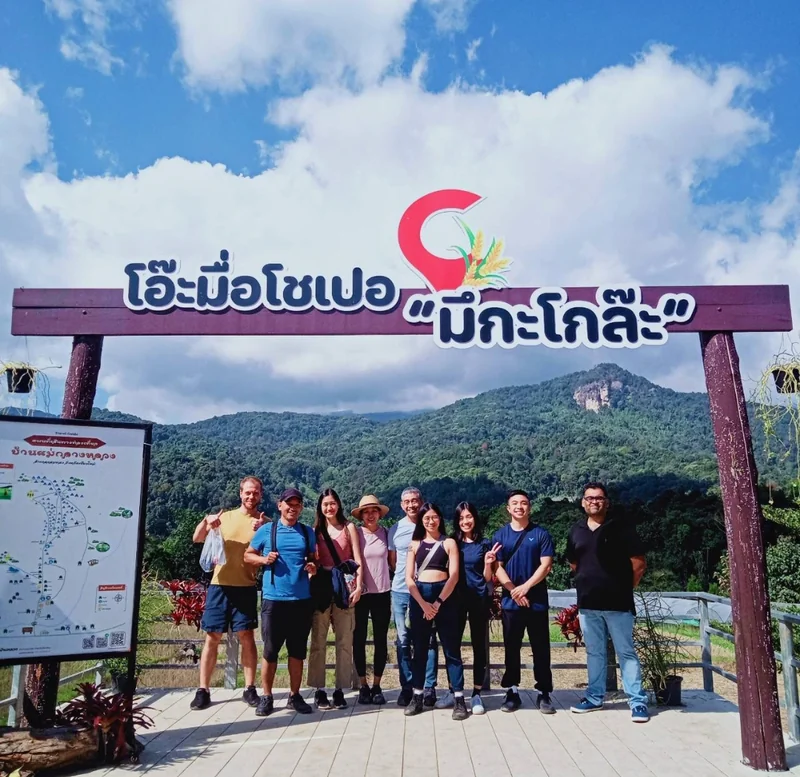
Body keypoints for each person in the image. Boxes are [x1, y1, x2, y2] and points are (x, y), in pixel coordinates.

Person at [566, 482, 649, 722]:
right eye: (589, 498)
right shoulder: (576, 530)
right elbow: (574, 563)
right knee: (594, 653)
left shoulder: (622, 528)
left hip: (618, 604)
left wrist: (622, 588)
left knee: (626, 652)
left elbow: (639, 563)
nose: (594, 501)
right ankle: (594, 698)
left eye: (599, 498)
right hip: (588, 603)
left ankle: (637, 702)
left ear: (607, 502)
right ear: (582, 502)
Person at [190, 476, 267, 711]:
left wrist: (263, 531)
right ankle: (203, 690)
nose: (251, 496)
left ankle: (250, 688)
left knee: (247, 637)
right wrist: (206, 522)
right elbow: (197, 538)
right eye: (247, 492)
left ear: (260, 495)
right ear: (240, 493)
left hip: (246, 586)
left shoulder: (266, 523)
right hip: (219, 585)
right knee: (212, 637)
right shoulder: (225, 517)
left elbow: (274, 552)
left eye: (255, 493)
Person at [244, 487, 317, 716]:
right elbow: (248, 555)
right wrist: (265, 560)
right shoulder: (267, 530)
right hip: (273, 600)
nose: (292, 508)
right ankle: (267, 696)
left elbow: (313, 560)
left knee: (297, 652)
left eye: (297, 505)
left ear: (301, 507)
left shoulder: (307, 532)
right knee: (271, 651)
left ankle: (294, 696)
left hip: (301, 600)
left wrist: (312, 567)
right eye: (289, 504)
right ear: (280, 505)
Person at [491, 489, 556, 714]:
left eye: (524, 503)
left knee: (541, 648)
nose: (519, 506)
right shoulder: (500, 536)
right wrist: (513, 590)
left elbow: (545, 565)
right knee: (511, 647)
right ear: (508, 508)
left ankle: (544, 692)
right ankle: (512, 691)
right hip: (511, 603)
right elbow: (496, 567)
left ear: (530, 507)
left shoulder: (541, 534)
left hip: (536, 601)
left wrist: (525, 588)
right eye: (515, 503)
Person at [404, 503, 468, 720]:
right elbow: (408, 579)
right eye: (426, 518)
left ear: (440, 518)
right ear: (421, 520)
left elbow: (455, 575)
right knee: (419, 650)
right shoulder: (414, 544)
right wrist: (423, 604)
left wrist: (438, 602)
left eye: (434, 517)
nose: (430, 521)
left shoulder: (449, 542)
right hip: (419, 596)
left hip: (445, 596)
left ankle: (459, 698)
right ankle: (418, 696)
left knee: (452, 649)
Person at [307, 488, 364, 710]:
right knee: (318, 641)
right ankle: (319, 690)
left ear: (338, 504)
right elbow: (311, 559)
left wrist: (359, 585)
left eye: (332, 503)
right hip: (321, 585)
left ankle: (340, 690)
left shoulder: (349, 527)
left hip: (343, 586)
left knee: (344, 641)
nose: (329, 507)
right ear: (320, 507)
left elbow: (357, 559)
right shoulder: (315, 529)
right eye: (325, 504)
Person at [388, 487, 439, 707]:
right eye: (407, 502)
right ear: (401, 505)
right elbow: (393, 561)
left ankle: (429, 687)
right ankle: (407, 687)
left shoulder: (431, 524)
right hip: (401, 591)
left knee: (427, 641)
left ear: (422, 501)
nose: (411, 505)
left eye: (415, 500)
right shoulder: (395, 529)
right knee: (403, 641)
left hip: (427, 591)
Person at [450, 502, 498, 715]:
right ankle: (454, 690)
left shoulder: (485, 544)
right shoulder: (452, 543)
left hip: (479, 599)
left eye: (468, 517)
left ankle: (477, 693)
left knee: (479, 646)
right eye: (461, 518)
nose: (465, 521)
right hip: (456, 599)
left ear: (475, 518)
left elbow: (487, 578)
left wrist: (488, 563)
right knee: (453, 646)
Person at [351, 494, 392, 705]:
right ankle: (362, 685)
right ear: (360, 515)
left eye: (374, 510)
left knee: (380, 640)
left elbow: (393, 561)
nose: (370, 515)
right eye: (366, 511)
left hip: (383, 592)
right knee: (357, 639)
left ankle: (377, 685)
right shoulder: (355, 534)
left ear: (379, 513)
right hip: (360, 594)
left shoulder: (386, 533)